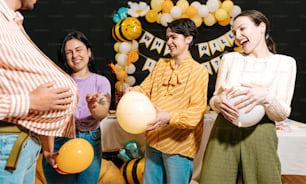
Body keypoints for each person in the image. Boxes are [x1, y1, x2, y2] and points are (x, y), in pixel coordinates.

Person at [199, 10, 297, 184]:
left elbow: (281, 113)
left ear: (261, 27)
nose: (237, 36)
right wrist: (218, 102)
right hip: (224, 128)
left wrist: (266, 96)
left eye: (242, 29)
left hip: (261, 132)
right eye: (234, 33)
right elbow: (214, 99)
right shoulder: (230, 59)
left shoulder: (285, 63)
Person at [0, 0, 79, 184]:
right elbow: (32, 99)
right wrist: (30, 102)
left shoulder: (12, 23)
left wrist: (47, 148)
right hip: (7, 144)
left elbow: (26, 86)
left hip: (26, 144)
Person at [125, 18, 209, 184]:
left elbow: (195, 114)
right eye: (168, 37)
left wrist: (169, 117)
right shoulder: (161, 65)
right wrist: (133, 92)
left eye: (174, 37)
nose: (169, 42)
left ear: (188, 39)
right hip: (154, 139)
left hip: (179, 145)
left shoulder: (199, 72)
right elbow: (145, 89)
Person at [42, 30, 111, 184]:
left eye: (79, 50)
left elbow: (102, 112)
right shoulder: (59, 82)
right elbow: (49, 118)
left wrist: (94, 107)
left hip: (90, 140)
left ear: (89, 51)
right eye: (69, 52)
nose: (75, 55)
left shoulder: (101, 81)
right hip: (61, 140)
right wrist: (49, 149)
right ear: (65, 57)